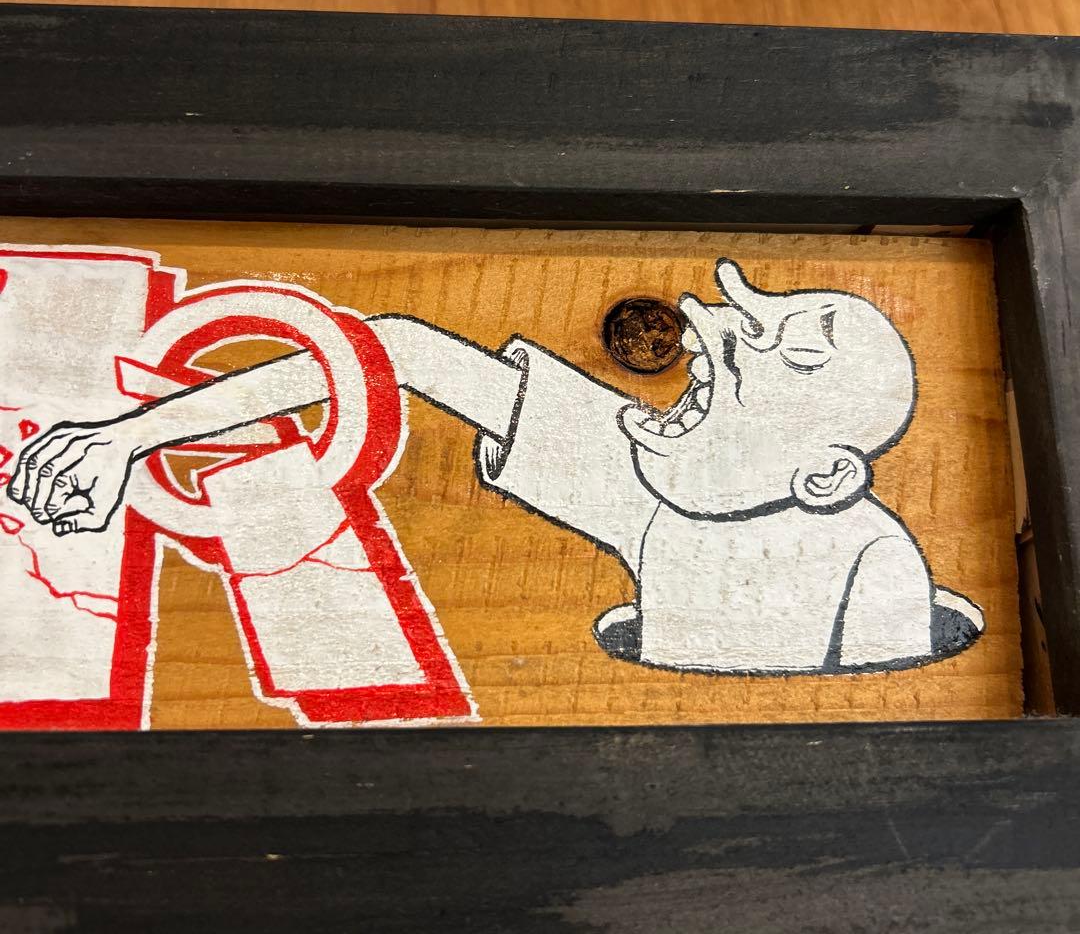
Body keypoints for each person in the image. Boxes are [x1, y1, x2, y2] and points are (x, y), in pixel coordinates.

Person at [7, 258, 983, 674]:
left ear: (824, 477)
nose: (710, 326)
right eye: (740, 319)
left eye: (785, 355)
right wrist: (132, 434)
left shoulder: (876, 565)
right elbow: (390, 350)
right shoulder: (640, 483)